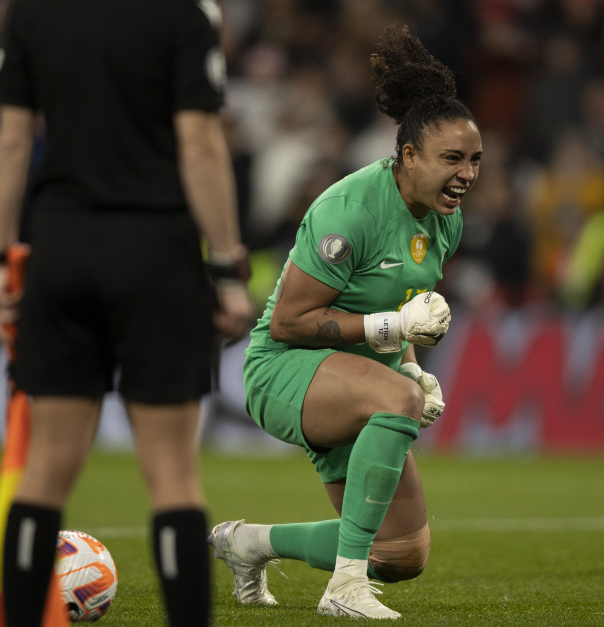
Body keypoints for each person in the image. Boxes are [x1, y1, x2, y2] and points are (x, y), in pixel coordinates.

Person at [0, 1, 255, 626]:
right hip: (156, 253)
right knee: (173, 476)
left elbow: (12, 142)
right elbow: (201, 147)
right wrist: (224, 269)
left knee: (46, 469)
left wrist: (0, 255)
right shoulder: (187, 12)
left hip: (62, 245)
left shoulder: (32, 11)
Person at [208, 25, 483, 620]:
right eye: (452, 159)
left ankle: (249, 543)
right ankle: (343, 589)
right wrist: (395, 349)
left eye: (475, 160)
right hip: (283, 371)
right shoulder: (349, 210)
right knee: (395, 399)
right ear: (409, 155)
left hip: (357, 378)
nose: (466, 174)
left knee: (402, 554)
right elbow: (288, 323)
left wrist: (413, 367)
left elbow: (401, 310)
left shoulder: (445, 220)